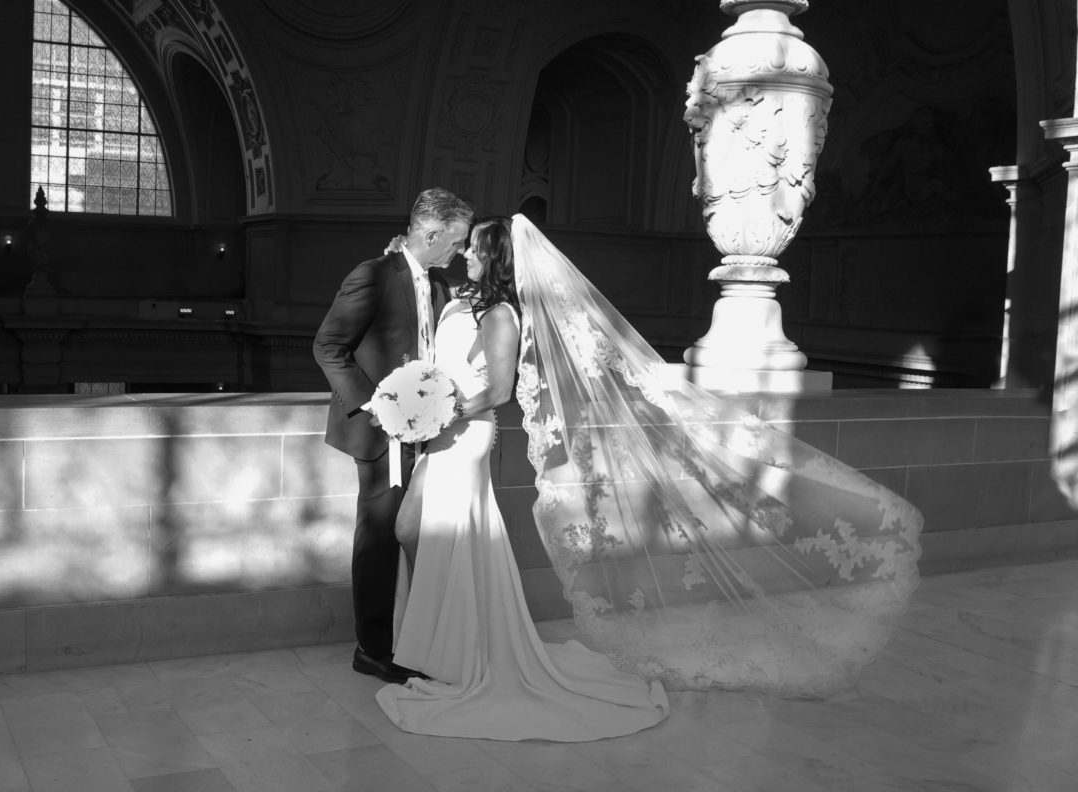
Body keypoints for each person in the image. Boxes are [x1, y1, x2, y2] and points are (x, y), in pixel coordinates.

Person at [374, 213, 923, 740]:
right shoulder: (468, 306)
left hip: (464, 438)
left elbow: (495, 392)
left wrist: (440, 411)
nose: (467, 252)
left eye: (476, 247)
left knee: (436, 534)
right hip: (443, 435)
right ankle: (442, 645)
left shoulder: (501, 317)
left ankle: (466, 653)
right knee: (418, 531)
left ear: (496, 259)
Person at [313, 188, 473, 685]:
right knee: (379, 537)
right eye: (456, 241)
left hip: (429, 434)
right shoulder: (373, 275)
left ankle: (418, 637)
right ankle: (373, 649)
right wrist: (376, 407)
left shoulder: (443, 285)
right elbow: (328, 346)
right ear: (431, 233)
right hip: (382, 435)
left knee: (418, 534)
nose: (461, 251)